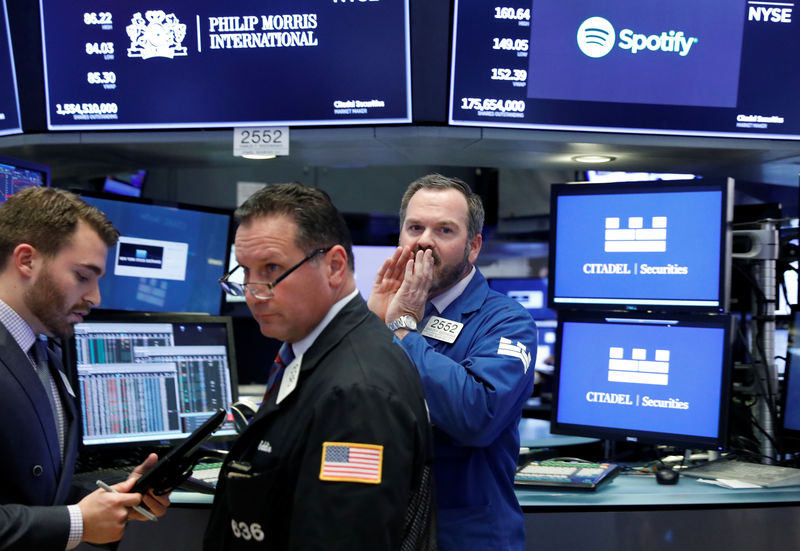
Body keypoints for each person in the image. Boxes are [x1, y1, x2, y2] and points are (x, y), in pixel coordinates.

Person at [204, 183, 436, 550]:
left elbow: (344, 539)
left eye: (271, 269)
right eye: (245, 272)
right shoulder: (311, 353)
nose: (252, 291)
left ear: (334, 266)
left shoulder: (358, 394)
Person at [368, 174, 538, 550]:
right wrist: (368, 331)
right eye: (415, 227)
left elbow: (477, 414)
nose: (425, 240)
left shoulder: (507, 321)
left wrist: (399, 331)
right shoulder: (382, 312)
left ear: (473, 246)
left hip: (466, 536)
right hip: (387, 527)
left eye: (445, 230)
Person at [0, 187, 171, 550]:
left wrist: (113, 498)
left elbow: (40, 487)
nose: (95, 297)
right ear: (26, 260)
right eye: (82, 276)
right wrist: (76, 522)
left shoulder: (44, 351)